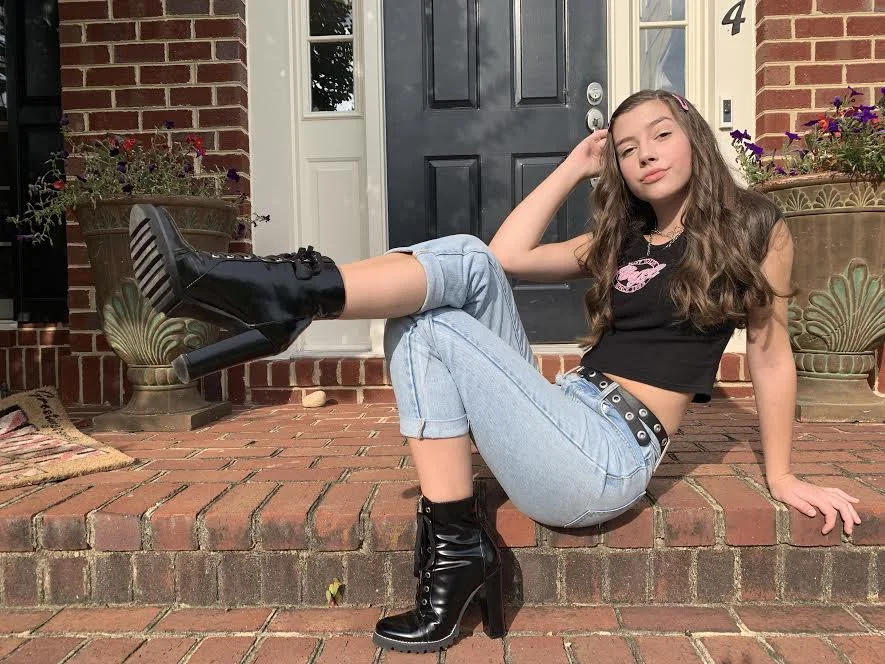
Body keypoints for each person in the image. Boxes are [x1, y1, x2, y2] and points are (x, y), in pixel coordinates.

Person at [128, 89, 862, 654]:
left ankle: (287, 302)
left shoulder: (754, 227)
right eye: (627, 148)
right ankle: (297, 298)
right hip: (561, 410)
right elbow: (504, 256)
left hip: (604, 459)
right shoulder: (622, 239)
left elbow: (769, 354)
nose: (645, 154)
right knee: (467, 260)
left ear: (694, 136)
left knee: (429, 325)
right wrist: (573, 165)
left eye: (661, 135)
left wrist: (781, 475)